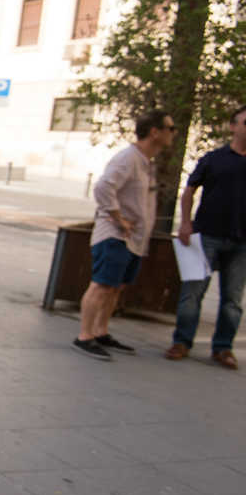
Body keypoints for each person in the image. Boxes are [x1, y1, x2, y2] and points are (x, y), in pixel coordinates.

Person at [73, 109, 176, 360]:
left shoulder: (146, 162)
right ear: (155, 132)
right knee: (101, 284)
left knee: (115, 287)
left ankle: (101, 331)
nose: (174, 133)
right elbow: (103, 187)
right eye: (170, 128)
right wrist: (118, 217)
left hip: (134, 239)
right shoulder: (128, 158)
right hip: (114, 235)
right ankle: (84, 336)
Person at [166, 103, 246, 369]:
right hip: (207, 236)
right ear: (233, 126)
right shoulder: (213, 159)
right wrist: (186, 223)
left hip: (241, 242)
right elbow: (189, 190)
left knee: (232, 300)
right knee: (192, 293)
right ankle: (182, 341)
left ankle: (223, 348)